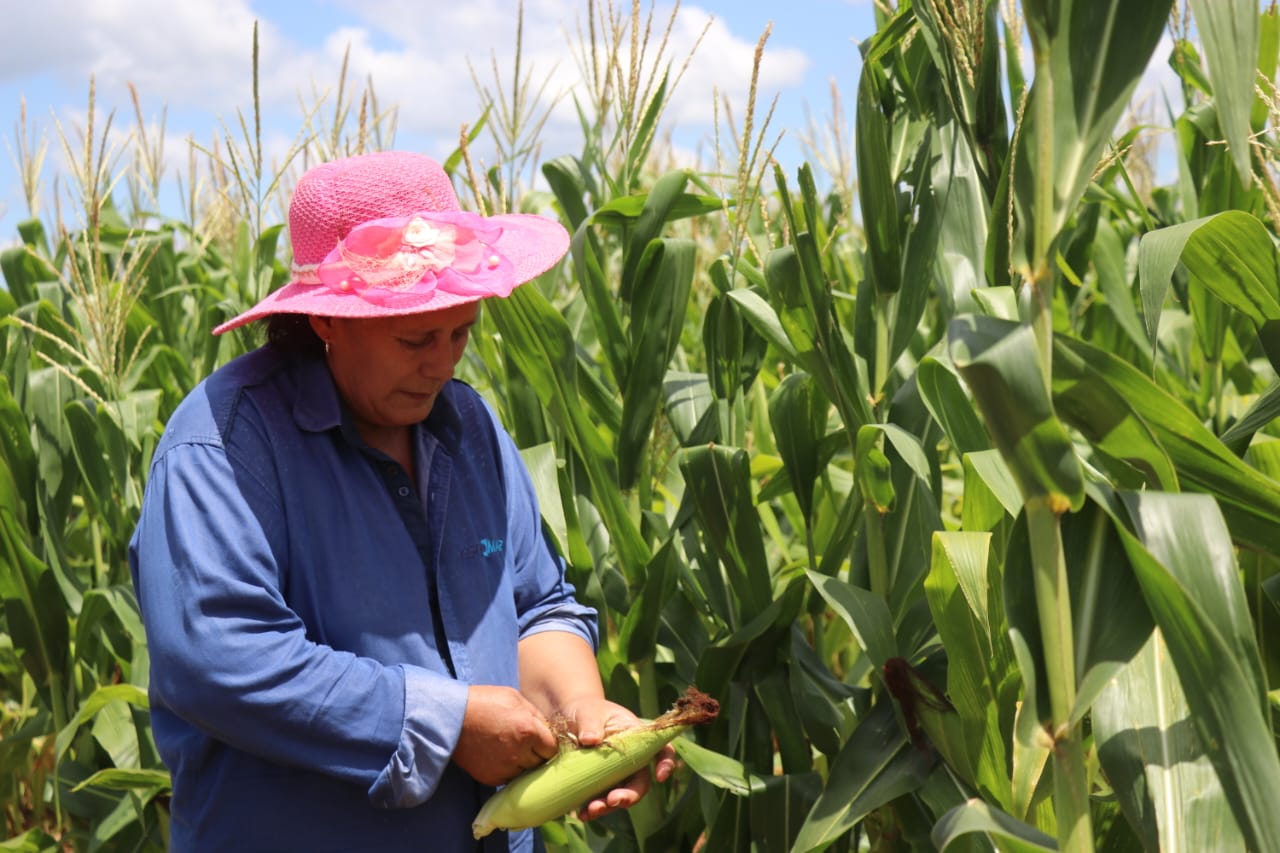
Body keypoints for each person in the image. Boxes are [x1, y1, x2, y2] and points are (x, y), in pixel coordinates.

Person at [128, 150, 673, 851]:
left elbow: (538, 605)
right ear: (328, 322)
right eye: (416, 337)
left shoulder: (468, 427)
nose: (443, 363)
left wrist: (582, 711)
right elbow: (218, 657)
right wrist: (446, 723)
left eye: (461, 332)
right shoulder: (225, 448)